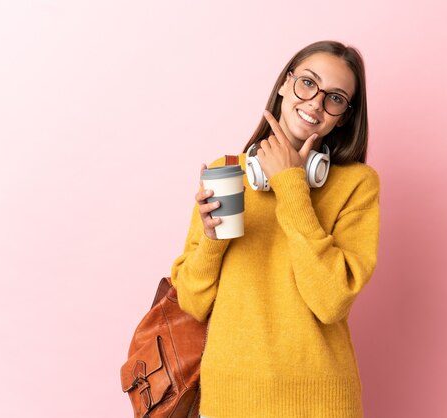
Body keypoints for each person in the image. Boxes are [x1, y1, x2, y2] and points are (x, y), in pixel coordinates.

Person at [170, 40, 380, 418]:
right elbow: (192, 301)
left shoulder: (357, 184)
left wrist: (291, 185)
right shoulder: (227, 172)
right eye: (307, 83)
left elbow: (331, 301)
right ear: (285, 84)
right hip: (228, 402)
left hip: (321, 403)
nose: (315, 102)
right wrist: (212, 243)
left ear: (343, 116)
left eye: (335, 98)